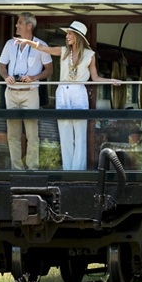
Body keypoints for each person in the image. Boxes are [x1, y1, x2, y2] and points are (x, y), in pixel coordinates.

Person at [16, 21, 119, 170]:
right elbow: (45, 49)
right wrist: (28, 41)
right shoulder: (64, 51)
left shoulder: (90, 55)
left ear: (77, 36)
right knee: (65, 133)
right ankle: (68, 170)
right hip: (63, 91)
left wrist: (111, 81)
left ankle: (78, 170)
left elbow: (95, 78)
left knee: (79, 133)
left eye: (70, 34)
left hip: (79, 92)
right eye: (67, 34)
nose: (67, 36)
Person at [0, 12, 53, 170]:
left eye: (20, 23)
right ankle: (16, 169)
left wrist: (34, 77)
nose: (16, 25)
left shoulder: (40, 45)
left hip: (30, 92)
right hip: (11, 92)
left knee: (32, 134)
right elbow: (1, 66)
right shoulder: (9, 44)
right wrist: (6, 76)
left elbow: (49, 70)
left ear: (29, 25)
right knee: (13, 133)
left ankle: (33, 168)